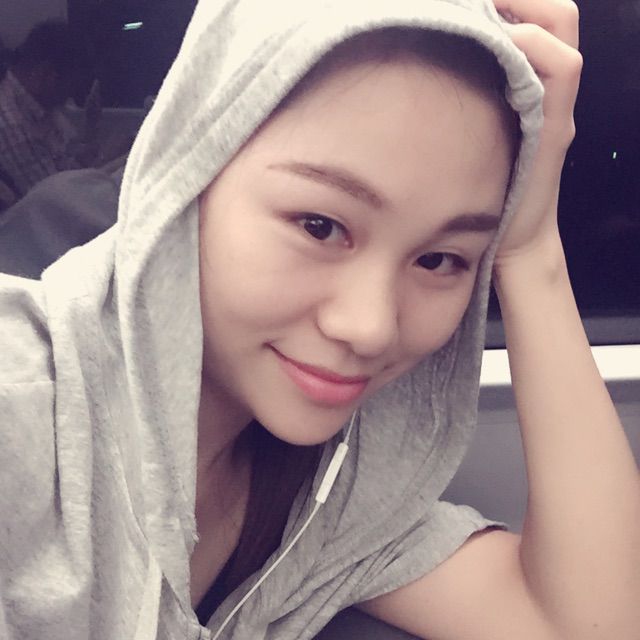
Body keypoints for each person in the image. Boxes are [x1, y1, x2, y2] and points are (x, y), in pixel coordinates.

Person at [0, 1, 638, 640]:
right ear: (187, 174)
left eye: (440, 259)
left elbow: (591, 624)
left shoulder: (334, 497)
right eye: (319, 226)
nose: (371, 326)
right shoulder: (22, 402)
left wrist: (530, 250)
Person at [0, 20, 93, 204]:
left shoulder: (41, 108)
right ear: (47, 74)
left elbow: (66, 165)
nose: (70, 95)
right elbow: (56, 202)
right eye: (70, 85)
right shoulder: (11, 122)